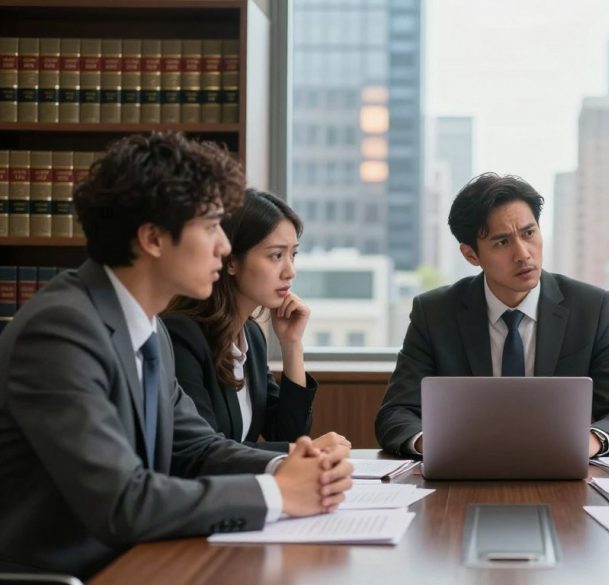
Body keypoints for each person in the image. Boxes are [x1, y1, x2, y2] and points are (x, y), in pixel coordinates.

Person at [0, 132, 353, 579]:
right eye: (209, 228)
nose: (224, 247)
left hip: (138, 560)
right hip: (72, 573)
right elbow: (122, 502)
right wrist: (278, 494)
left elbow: (196, 447)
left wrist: (292, 467)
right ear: (152, 238)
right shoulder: (61, 331)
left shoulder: (149, 330)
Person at [375, 172, 609, 458]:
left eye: (529, 233)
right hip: (463, 474)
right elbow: (396, 413)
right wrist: (431, 445)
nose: (523, 254)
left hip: (564, 476)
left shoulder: (591, 308)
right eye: (502, 243)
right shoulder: (435, 313)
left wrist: (587, 443)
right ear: (471, 255)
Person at [163, 189, 347, 453]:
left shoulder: (250, 335)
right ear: (231, 261)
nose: (290, 271)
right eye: (276, 255)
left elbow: (288, 433)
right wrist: (298, 452)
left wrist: (292, 344)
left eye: (293, 255)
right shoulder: (183, 335)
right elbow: (202, 449)